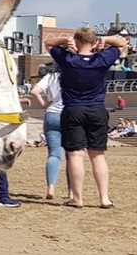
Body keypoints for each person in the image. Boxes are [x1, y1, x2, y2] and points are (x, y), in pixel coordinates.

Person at [45, 28, 129, 209]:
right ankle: (104, 198)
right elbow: (122, 43)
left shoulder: (68, 59)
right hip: (97, 109)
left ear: (76, 40)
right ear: (94, 42)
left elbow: (49, 43)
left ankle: (78, 198)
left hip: (73, 109)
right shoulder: (101, 59)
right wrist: (104, 39)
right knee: (98, 155)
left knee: (75, 155)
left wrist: (64, 40)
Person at [30, 68, 64, 199]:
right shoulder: (75, 72)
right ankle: (72, 192)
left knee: (54, 154)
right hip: (70, 113)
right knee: (72, 155)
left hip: (52, 114)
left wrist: (44, 103)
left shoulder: (51, 77)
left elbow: (34, 91)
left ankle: (51, 187)